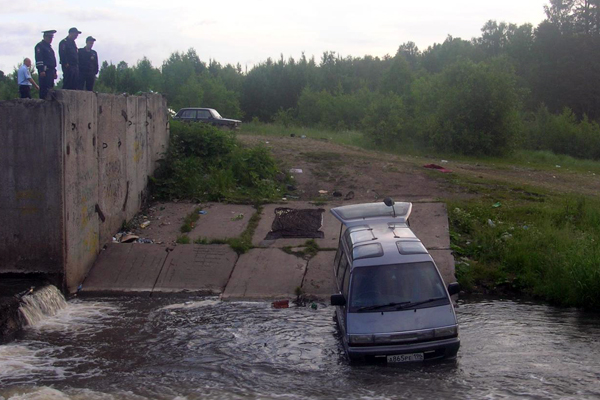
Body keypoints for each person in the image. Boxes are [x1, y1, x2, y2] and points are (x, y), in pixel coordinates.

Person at [34, 30, 57, 99]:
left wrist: (55, 71)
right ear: (45, 37)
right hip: (45, 70)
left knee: (50, 89)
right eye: (49, 37)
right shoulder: (40, 46)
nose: (51, 39)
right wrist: (41, 70)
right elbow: (39, 59)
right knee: (44, 89)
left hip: (51, 71)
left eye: (51, 38)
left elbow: (52, 61)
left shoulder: (49, 47)